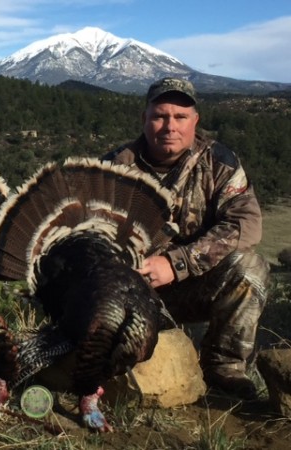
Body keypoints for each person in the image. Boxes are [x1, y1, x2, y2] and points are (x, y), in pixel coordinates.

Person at [102, 77, 269, 400]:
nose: (169, 126)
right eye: (160, 116)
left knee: (250, 269)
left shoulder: (220, 163)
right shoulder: (113, 166)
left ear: (196, 122)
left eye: (180, 117)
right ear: (145, 119)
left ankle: (224, 369)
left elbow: (246, 224)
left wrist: (176, 263)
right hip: (129, 290)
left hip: (195, 285)